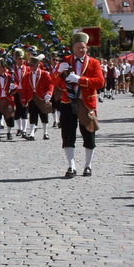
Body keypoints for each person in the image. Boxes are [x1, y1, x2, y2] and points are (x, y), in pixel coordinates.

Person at [54, 33, 106, 179]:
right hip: (67, 102)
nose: (80, 50)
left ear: (86, 48)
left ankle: (88, 165)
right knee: (68, 135)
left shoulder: (93, 62)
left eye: (82, 47)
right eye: (77, 47)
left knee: (89, 134)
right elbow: (54, 83)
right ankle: (71, 166)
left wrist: (80, 80)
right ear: (73, 48)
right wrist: (59, 72)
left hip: (86, 103)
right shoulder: (65, 61)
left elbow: (100, 82)